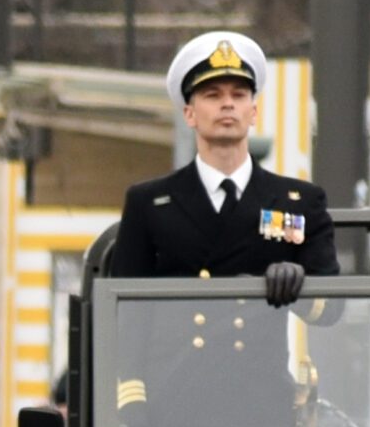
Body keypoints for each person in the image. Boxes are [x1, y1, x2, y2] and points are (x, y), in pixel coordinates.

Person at [106, 32, 337, 298]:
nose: (227, 104)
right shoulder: (149, 203)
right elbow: (124, 309)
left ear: (253, 112)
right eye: (213, 95)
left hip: (257, 341)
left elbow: (330, 309)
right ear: (189, 114)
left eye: (238, 95)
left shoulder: (298, 202)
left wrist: (298, 283)